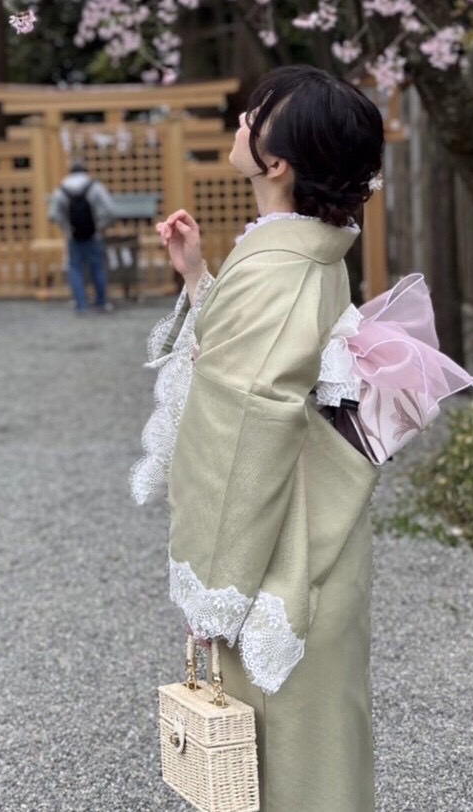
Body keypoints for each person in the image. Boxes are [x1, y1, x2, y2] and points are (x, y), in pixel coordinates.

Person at [133, 65, 385, 812]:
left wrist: (213, 582)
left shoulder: (281, 269)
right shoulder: (301, 251)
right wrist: (199, 277)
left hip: (278, 557)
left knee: (289, 772)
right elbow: (257, 359)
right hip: (308, 532)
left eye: (251, 119)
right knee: (313, 757)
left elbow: (242, 427)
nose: (238, 125)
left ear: (277, 162)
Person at [49, 160, 117, 313]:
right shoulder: (95, 187)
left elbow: (53, 214)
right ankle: (101, 301)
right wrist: (101, 225)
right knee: (98, 267)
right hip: (94, 235)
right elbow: (111, 210)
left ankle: (81, 304)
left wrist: (66, 227)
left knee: (75, 268)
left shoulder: (61, 189)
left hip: (73, 236)